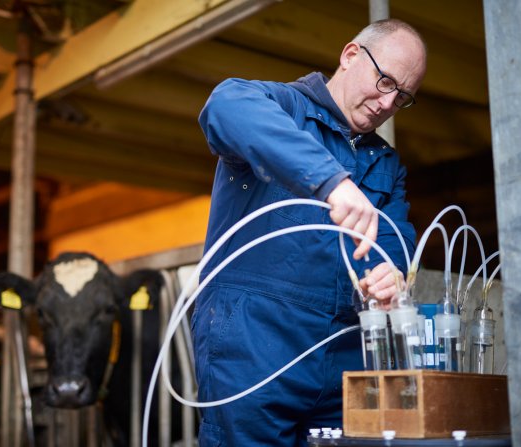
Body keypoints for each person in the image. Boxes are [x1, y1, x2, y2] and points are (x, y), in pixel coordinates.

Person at [191, 18, 427, 447]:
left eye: (402, 96)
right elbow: (224, 105)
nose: (387, 102)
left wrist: (393, 278)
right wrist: (331, 180)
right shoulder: (280, 105)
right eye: (385, 80)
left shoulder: (385, 163)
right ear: (351, 55)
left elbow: (394, 243)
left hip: (346, 360)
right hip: (255, 352)